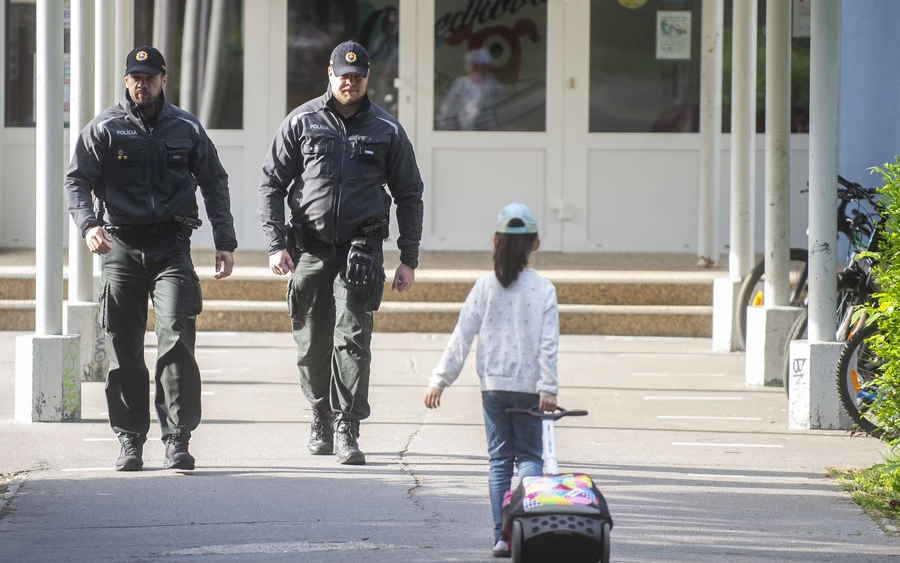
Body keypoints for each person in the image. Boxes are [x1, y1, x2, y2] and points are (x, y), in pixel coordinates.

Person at [65, 46, 237, 472]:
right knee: (124, 347)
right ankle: (130, 439)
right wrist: (89, 225)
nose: (142, 84)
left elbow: (214, 180)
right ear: (126, 81)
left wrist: (225, 240)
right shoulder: (105, 127)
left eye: (150, 77)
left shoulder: (185, 127)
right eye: (134, 77)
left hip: (172, 247)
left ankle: (177, 438)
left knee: (177, 338)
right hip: (120, 246)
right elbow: (76, 181)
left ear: (164, 80)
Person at [259, 41, 424, 466]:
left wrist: (409, 257)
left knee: (352, 339)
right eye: (342, 75)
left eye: (356, 75)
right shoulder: (302, 121)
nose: (349, 82)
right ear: (329, 75)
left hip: (361, 251)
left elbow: (409, 194)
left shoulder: (387, 129)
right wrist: (276, 244)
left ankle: (348, 425)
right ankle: (320, 414)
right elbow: (271, 183)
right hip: (309, 249)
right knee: (312, 340)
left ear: (367, 78)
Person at [424, 202, 559, 558]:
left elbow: (462, 336)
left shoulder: (484, 287)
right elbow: (548, 344)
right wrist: (548, 387)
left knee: (499, 460)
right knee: (530, 457)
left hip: (494, 388)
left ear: (494, 241)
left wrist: (440, 379)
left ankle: (500, 535)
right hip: (530, 388)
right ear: (536, 244)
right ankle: (528, 529)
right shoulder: (544, 289)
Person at [436, 48, 501, 131]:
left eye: (482, 67)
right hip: (464, 135)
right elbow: (445, 113)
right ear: (468, 67)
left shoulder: (493, 86)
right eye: (475, 67)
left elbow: (499, 113)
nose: (478, 72)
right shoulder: (461, 84)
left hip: (489, 135)